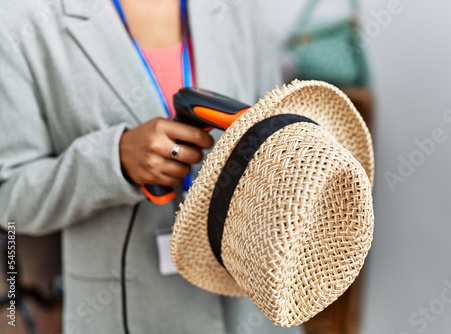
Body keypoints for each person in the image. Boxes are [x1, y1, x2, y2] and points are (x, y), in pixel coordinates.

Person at [0, 0, 303, 333]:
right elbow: (10, 198)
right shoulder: (21, 19)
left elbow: (277, 136)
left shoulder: (238, 8)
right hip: (126, 311)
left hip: (253, 302)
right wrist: (112, 160)